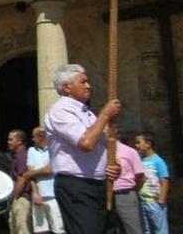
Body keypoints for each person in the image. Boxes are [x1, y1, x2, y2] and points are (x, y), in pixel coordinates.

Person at [44, 63, 121, 234]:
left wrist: (114, 166)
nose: (89, 86)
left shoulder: (87, 113)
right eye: (83, 82)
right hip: (78, 186)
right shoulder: (60, 111)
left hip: (99, 185)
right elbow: (86, 143)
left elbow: (102, 147)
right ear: (67, 88)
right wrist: (105, 115)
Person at [26, 127, 64, 234]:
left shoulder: (55, 150)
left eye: (34, 136)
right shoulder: (31, 150)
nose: (32, 139)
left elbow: (51, 169)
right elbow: (31, 174)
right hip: (39, 195)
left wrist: (32, 173)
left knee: (58, 228)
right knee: (41, 229)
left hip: (55, 195)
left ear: (41, 137)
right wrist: (35, 192)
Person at [134, 132, 169, 234]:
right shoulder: (140, 160)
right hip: (143, 201)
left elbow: (165, 181)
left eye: (138, 142)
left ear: (148, 144)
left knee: (160, 229)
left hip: (155, 202)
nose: (136, 145)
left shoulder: (158, 161)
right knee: (146, 229)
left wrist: (161, 199)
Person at [112, 139, 144, 234]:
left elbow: (140, 176)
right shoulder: (99, 152)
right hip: (106, 196)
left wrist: (132, 190)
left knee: (132, 229)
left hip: (126, 195)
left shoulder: (129, 151)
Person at [7, 129, 33, 234]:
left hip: (22, 198)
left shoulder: (22, 156)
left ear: (19, 141)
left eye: (11, 139)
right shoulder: (17, 156)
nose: (8, 142)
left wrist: (15, 196)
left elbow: (22, 178)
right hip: (19, 197)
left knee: (22, 229)